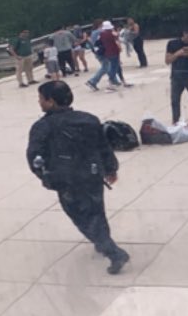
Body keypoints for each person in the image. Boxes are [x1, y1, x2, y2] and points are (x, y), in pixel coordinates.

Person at [26, 79, 129, 275]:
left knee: (81, 217)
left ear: (51, 102)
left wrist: (44, 175)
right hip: (92, 174)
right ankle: (102, 241)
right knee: (96, 211)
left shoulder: (43, 126)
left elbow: (34, 156)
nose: (39, 102)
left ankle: (113, 251)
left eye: (41, 98)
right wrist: (110, 168)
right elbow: (103, 146)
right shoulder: (88, 119)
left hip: (66, 180)